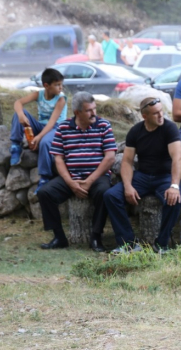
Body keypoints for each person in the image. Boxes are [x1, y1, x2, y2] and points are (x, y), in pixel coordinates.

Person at [37, 92, 117, 251]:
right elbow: (58, 159)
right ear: (77, 112)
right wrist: (70, 183)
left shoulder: (104, 125)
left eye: (94, 109)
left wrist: (89, 181)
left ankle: (95, 237)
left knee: (104, 193)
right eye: (89, 110)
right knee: (45, 193)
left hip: (97, 176)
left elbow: (110, 158)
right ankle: (59, 237)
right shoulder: (63, 128)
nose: (94, 113)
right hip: (71, 177)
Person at [104, 97, 181, 255]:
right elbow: (127, 161)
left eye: (161, 111)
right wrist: (128, 186)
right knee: (111, 196)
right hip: (142, 177)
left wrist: (174, 186)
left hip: (164, 177)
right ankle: (129, 243)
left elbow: (177, 158)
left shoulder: (170, 128)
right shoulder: (136, 131)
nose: (161, 116)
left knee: (175, 200)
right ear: (145, 116)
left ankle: (161, 245)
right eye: (155, 113)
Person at [9, 68, 68, 192]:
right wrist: (20, 115)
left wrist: (39, 137)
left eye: (61, 84)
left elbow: (52, 122)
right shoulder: (38, 94)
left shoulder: (61, 99)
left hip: (56, 129)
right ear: (46, 86)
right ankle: (16, 146)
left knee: (45, 142)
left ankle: (44, 178)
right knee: (20, 113)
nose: (61, 88)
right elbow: (18, 102)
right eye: (57, 85)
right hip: (41, 126)